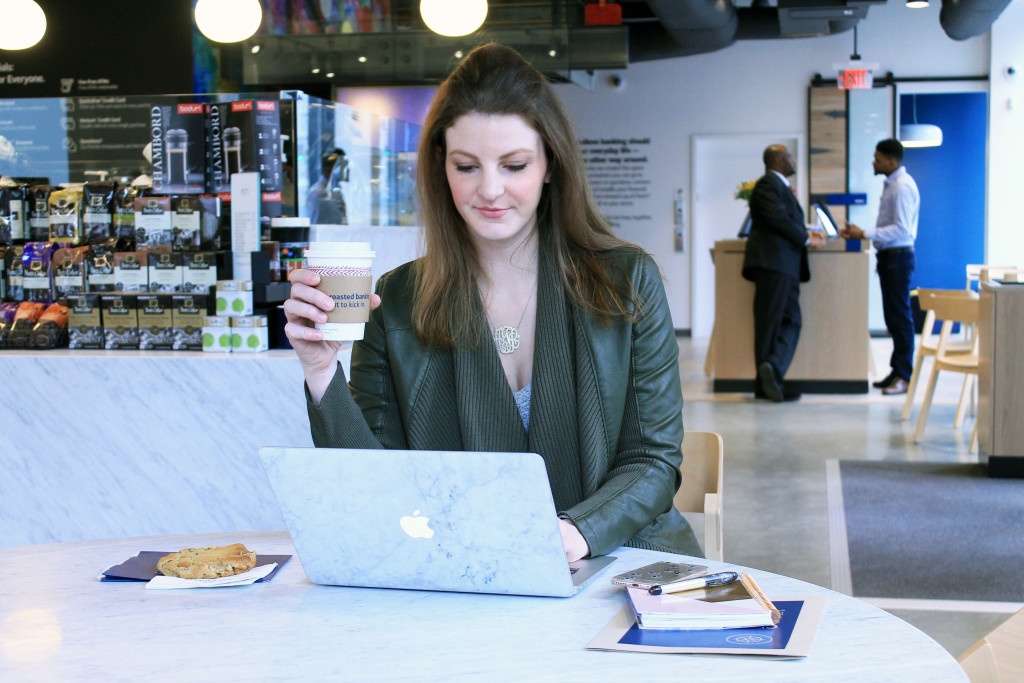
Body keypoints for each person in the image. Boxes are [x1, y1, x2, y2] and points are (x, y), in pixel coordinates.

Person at [283, 43, 701, 561]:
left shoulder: (626, 280)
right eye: (467, 167)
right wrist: (321, 370)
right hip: (469, 573)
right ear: (441, 167)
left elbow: (652, 460)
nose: (491, 190)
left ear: (550, 164)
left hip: (616, 562)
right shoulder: (396, 300)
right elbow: (376, 484)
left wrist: (571, 535)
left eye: (514, 165)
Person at [742, 144, 826, 402]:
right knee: (770, 324)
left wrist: (805, 233)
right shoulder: (768, 184)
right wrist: (805, 238)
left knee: (790, 321)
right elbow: (777, 219)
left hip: (783, 266)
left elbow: (783, 218)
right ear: (778, 160)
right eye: (789, 156)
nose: (793, 160)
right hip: (773, 265)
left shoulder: (776, 186)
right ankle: (767, 383)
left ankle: (772, 373)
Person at [840, 138, 919, 396]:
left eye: (877, 158)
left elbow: (902, 228)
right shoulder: (891, 185)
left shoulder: (901, 187)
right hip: (890, 258)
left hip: (898, 258)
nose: (873, 162)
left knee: (900, 318)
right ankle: (897, 372)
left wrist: (864, 232)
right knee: (893, 318)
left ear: (891, 161)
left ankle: (904, 377)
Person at [305, 148, 348, 224]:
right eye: (342, 167)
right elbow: (315, 225)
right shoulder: (318, 194)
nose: (345, 171)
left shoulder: (335, 191)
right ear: (328, 169)